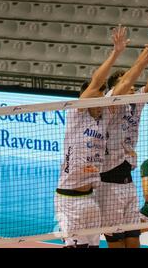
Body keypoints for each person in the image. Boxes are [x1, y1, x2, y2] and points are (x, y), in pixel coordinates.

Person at [97, 17, 148, 248]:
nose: (130, 86)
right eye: (124, 84)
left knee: (133, 242)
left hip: (128, 184)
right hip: (108, 185)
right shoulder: (110, 104)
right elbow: (131, 77)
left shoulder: (134, 103)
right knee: (117, 244)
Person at [54, 25, 127, 248]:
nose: (101, 97)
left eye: (103, 95)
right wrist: (116, 53)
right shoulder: (76, 113)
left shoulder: (104, 117)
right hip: (68, 199)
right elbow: (96, 82)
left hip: (90, 199)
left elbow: (124, 85)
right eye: (97, 94)